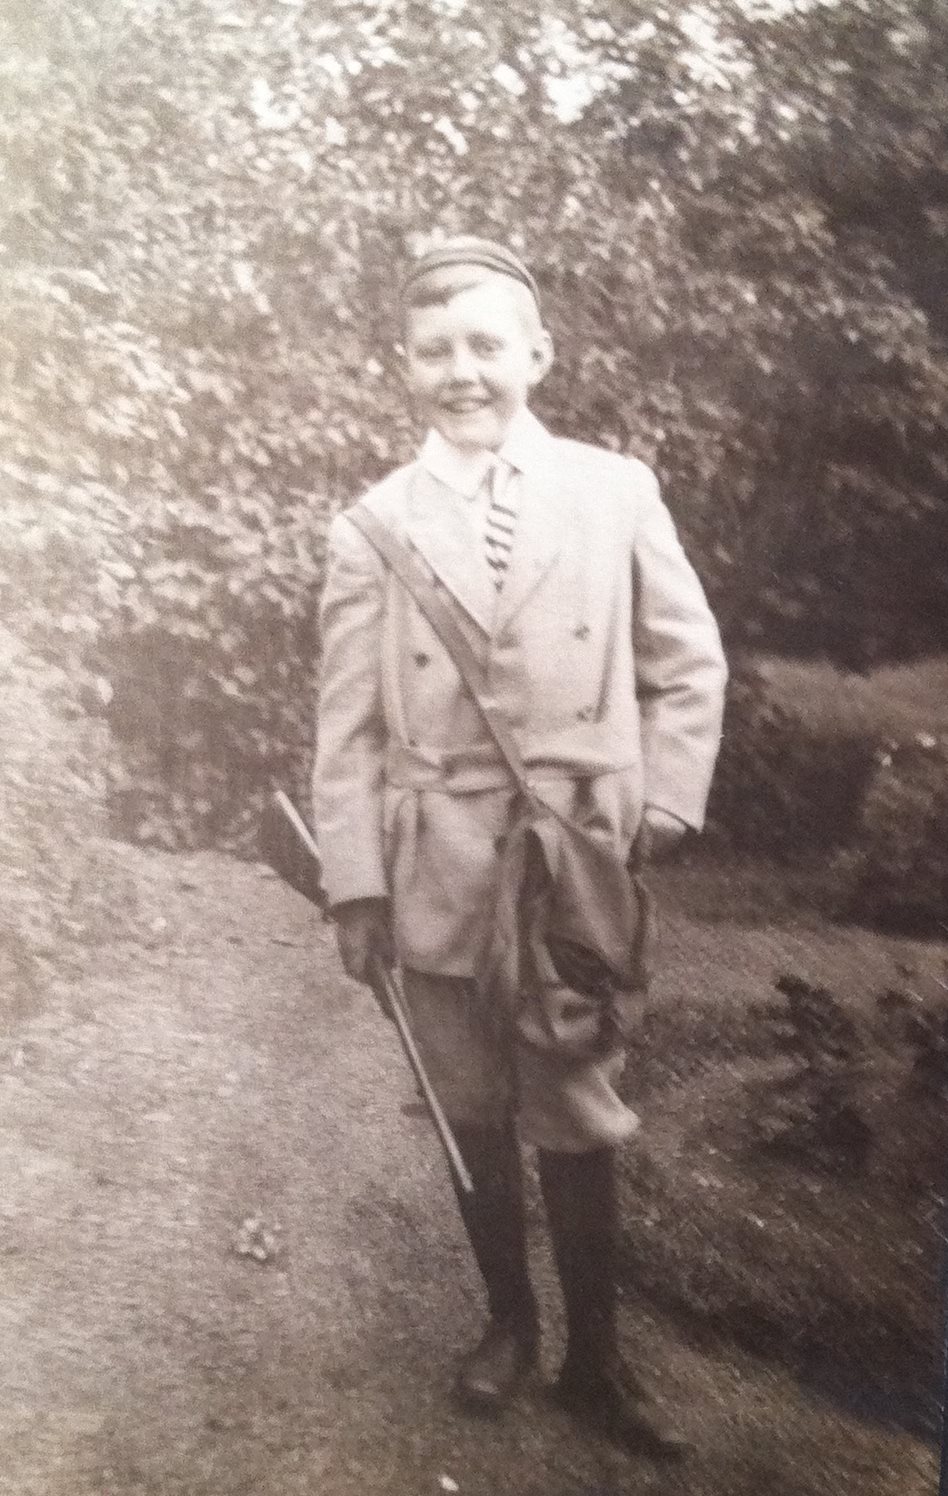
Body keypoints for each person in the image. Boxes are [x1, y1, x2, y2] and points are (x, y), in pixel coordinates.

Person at [312, 236, 727, 1459]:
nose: (464, 371)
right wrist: (354, 881)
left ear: (536, 354)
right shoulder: (375, 525)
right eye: (436, 351)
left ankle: (598, 1358)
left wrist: (659, 804)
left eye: (487, 345)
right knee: (472, 1104)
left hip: (569, 863)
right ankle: (509, 1320)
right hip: (435, 851)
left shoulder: (615, 489)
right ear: (406, 367)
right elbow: (345, 722)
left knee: (577, 1100)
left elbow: (687, 661)